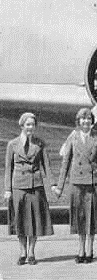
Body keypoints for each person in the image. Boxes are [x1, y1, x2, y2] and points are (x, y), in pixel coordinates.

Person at [54, 108, 97, 263]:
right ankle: (80, 250)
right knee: (80, 218)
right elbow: (65, 163)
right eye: (83, 119)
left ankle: (90, 250)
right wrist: (60, 186)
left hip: (93, 183)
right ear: (78, 121)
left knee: (92, 218)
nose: (86, 122)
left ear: (92, 121)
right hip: (77, 183)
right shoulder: (73, 138)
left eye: (88, 119)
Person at [4, 112, 56, 265]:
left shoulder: (40, 144)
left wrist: (52, 183)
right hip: (18, 186)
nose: (30, 127)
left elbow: (46, 165)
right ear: (22, 126)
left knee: (34, 220)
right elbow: (8, 168)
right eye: (27, 125)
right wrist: (7, 189)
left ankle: (32, 252)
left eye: (32, 125)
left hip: (36, 186)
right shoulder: (12, 144)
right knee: (20, 221)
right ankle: (22, 252)